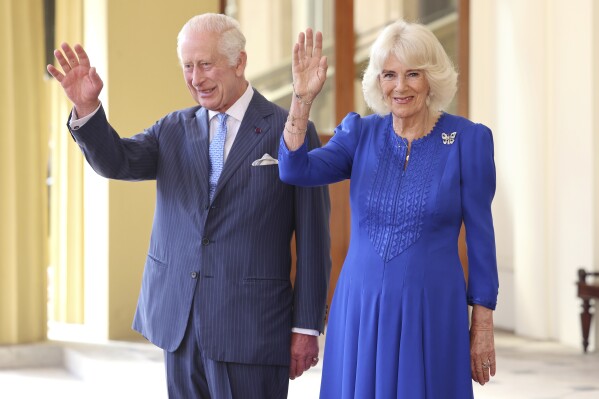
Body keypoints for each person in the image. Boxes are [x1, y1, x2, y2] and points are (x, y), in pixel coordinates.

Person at [47, 13, 331, 399]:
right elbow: (117, 161)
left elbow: (314, 238)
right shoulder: (172, 129)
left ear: (239, 62)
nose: (195, 78)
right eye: (187, 66)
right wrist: (88, 110)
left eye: (205, 64)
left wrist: (306, 326)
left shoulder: (290, 129)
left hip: (251, 328)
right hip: (179, 323)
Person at [278, 20, 499, 398]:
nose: (400, 86)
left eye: (413, 74)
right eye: (389, 75)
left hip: (431, 308)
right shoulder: (359, 133)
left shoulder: (467, 140)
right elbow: (295, 169)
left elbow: (481, 236)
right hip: (360, 306)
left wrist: (482, 321)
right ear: (378, 81)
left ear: (432, 79)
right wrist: (301, 99)